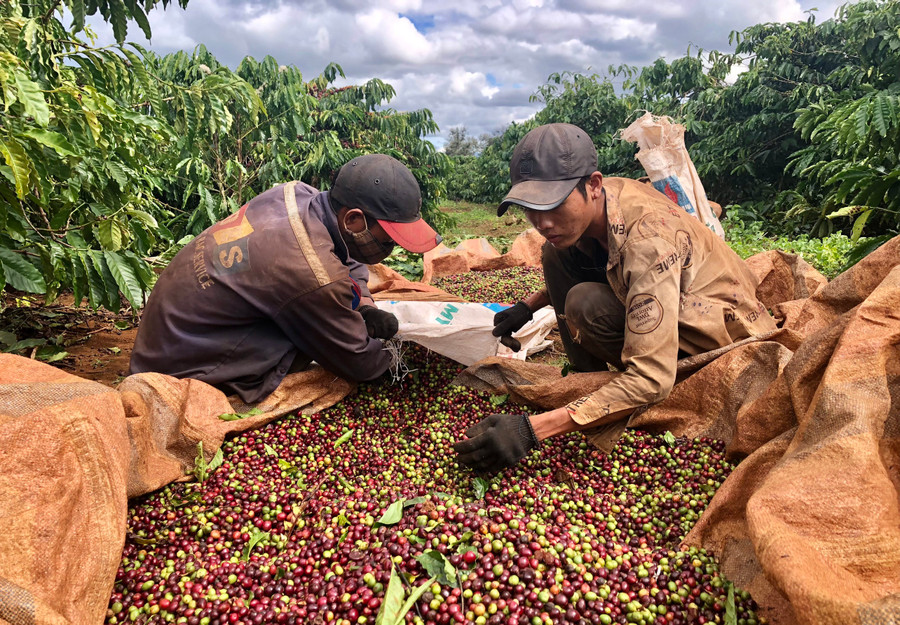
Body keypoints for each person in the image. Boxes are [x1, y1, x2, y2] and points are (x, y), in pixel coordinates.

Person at [453, 123, 776, 472]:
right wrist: (526, 308)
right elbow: (604, 265)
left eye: (554, 205)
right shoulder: (608, 199)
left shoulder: (647, 241)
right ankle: (583, 381)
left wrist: (532, 430)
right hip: (667, 300)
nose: (542, 222)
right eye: (531, 208)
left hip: (721, 335)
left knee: (584, 304)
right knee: (555, 253)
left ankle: (596, 404)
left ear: (592, 185)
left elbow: (652, 378)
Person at [130, 154, 442, 403]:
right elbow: (360, 362)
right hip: (179, 367)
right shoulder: (310, 274)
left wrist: (365, 305)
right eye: (387, 240)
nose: (390, 249)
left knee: (319, 316)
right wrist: (408, 357)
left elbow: (351, 260)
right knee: (315, 339)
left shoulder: (297, 195)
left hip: (170, 331)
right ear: (354, 219)